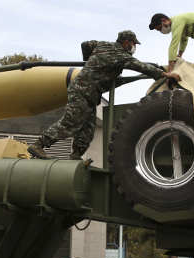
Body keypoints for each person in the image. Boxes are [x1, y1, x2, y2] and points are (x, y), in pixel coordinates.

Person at [27, 30, 182, 160]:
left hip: (90, 93)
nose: (134, 47)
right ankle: (38, 145)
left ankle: (75, 155)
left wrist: (88, 61)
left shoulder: (101, 45)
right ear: (126, 42)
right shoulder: (121, 55)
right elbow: (140, 66)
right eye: (134, 44)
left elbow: (85, 45)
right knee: (71, 122)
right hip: (82, 90)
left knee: (87, 128)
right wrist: (165, 74)